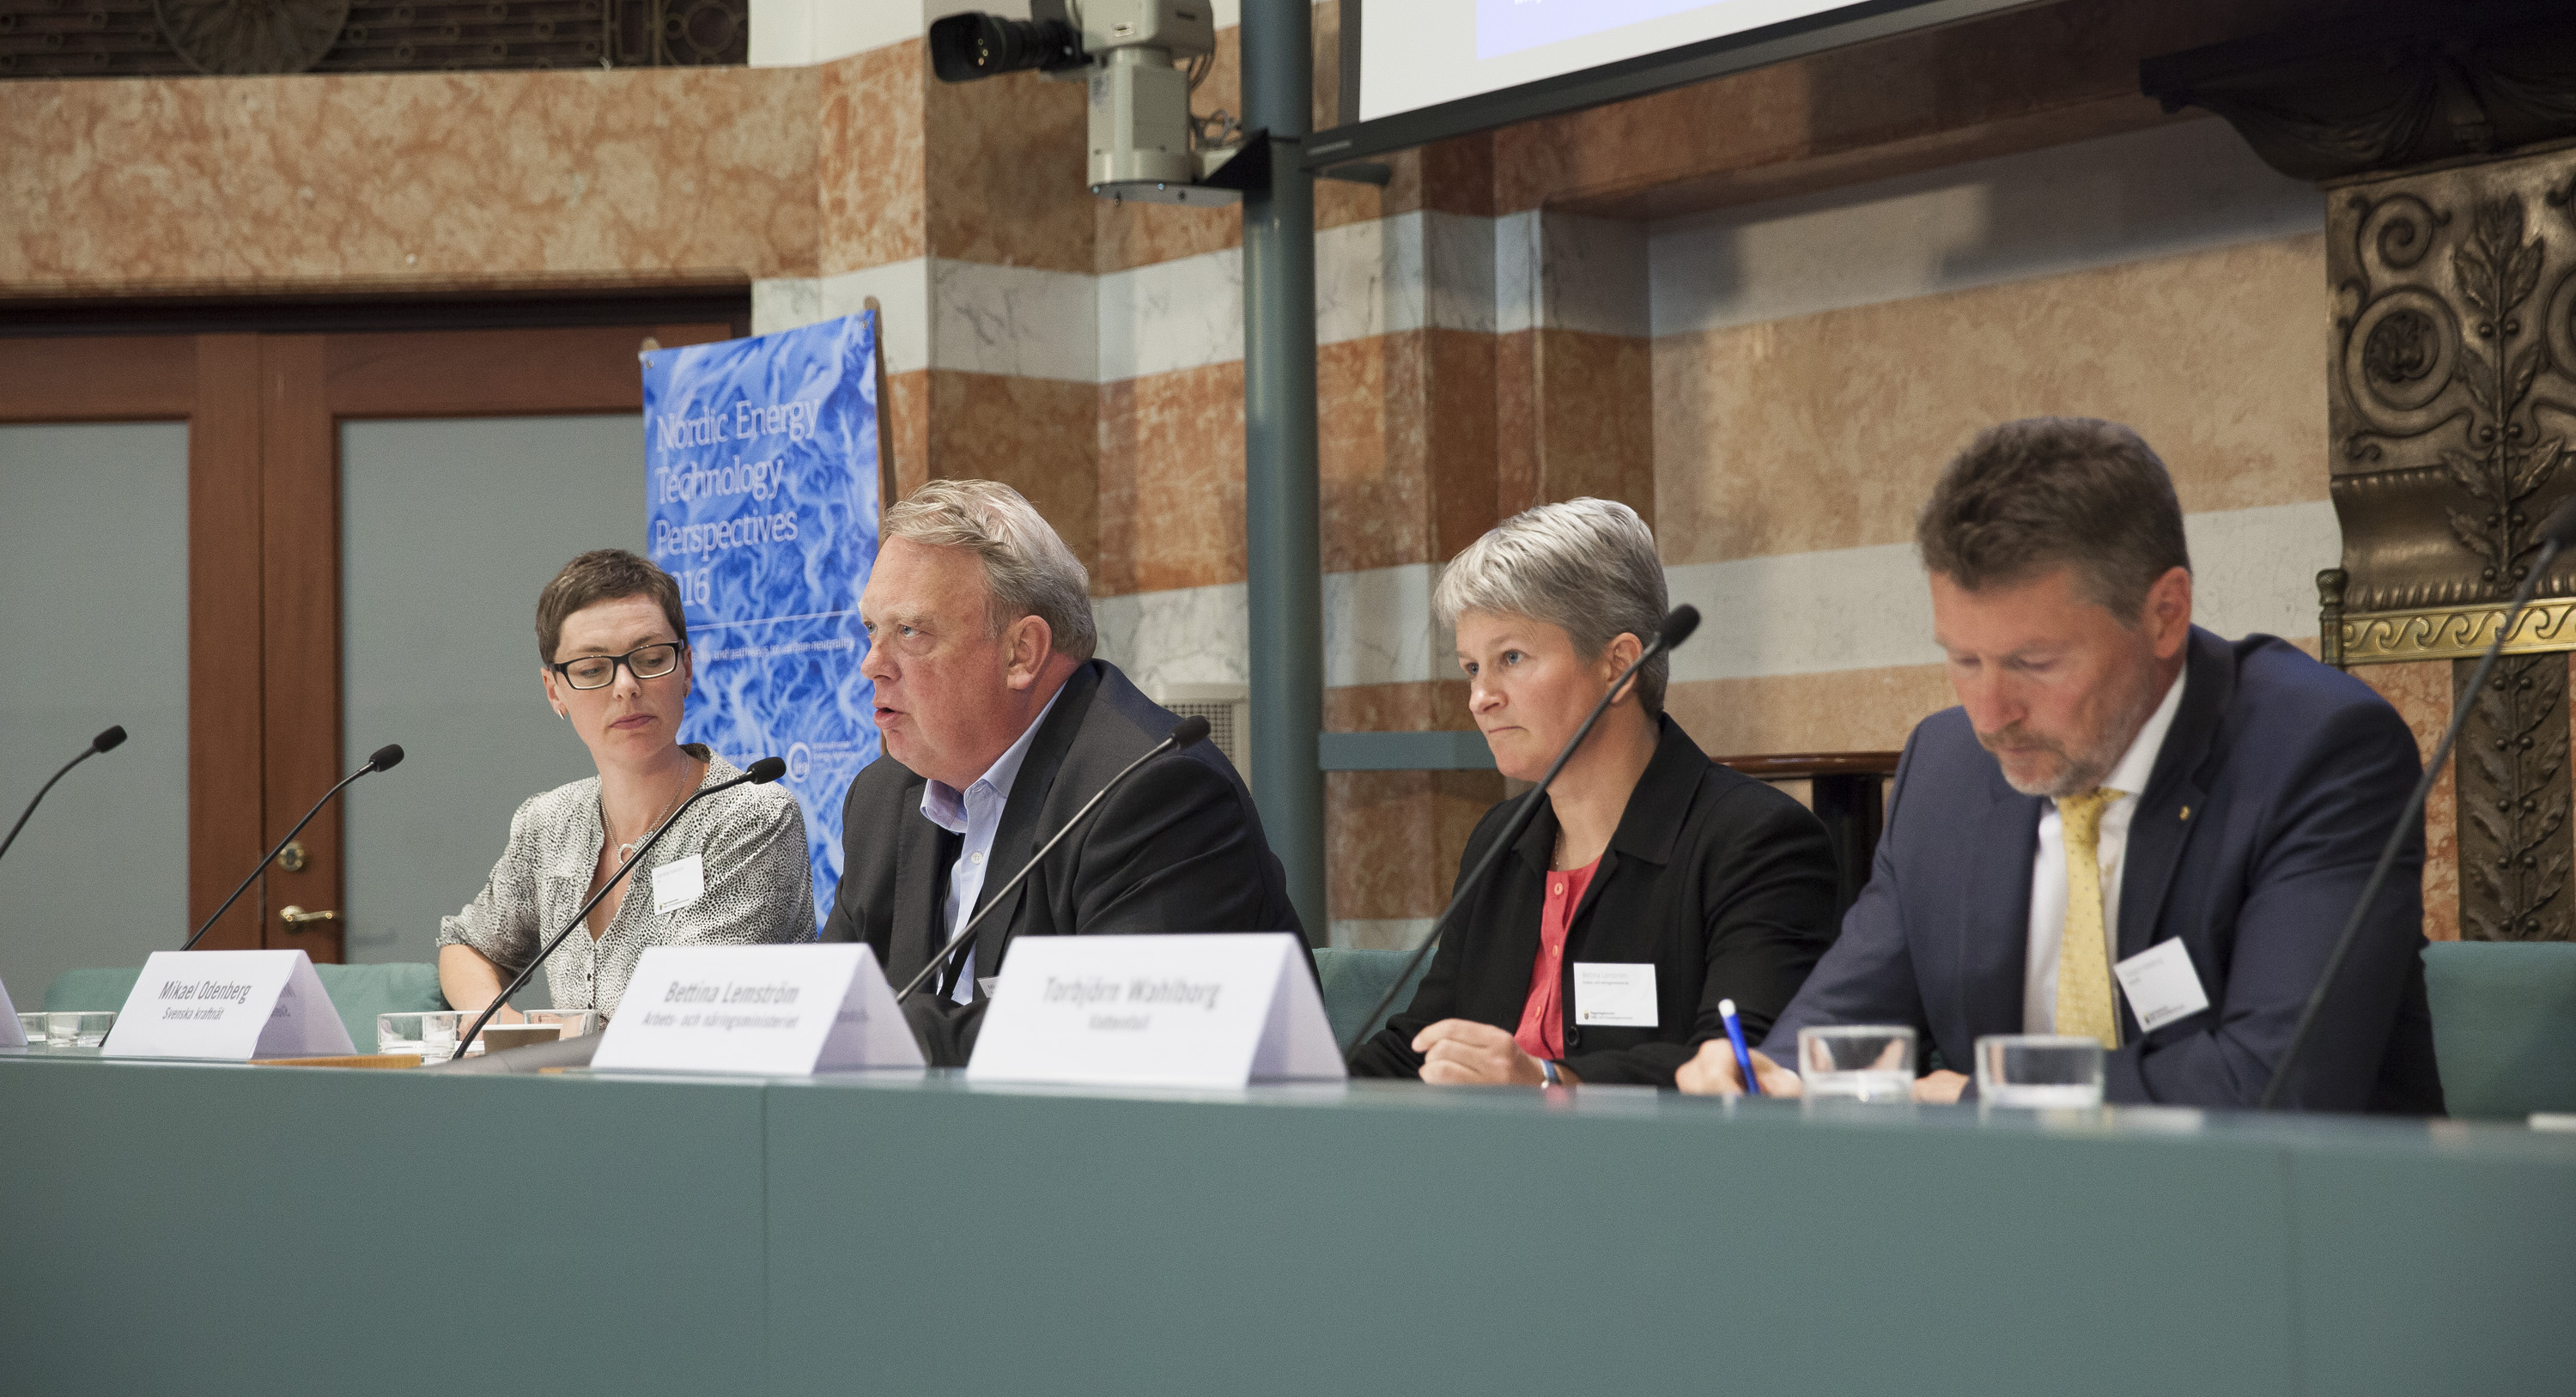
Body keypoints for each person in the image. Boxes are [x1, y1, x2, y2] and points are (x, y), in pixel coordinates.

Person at [1677, 417, 2445, 1111]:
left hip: (2286, 1234)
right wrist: (1761, 1076)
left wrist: (1988, 1100)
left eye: (2034, 663)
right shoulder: (1945, 770)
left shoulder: (2318, 751)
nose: (1989, 714)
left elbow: (2276, 1081)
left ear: (2164, 615)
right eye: (1963, 660)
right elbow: (1835, 1032)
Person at [1344, 498, 1840, 1088]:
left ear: (1621, 664)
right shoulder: (1501, 840)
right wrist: (1291, 1084)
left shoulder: (1756, 841)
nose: (1482, 697)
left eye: (1511, 658)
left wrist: (1551, 1079)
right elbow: (1423, 1042)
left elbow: (1740, 1059)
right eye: (1473, 668)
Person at [819, 480, 1305, 1065]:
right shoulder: (883, 798)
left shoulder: (1156, 792)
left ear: (1021, 653)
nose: (872, 664)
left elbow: (1112, 1040)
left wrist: (879, 1034)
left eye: (910, 631)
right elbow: (830, 1007)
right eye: (872, 629)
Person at [439, 549, 814, 1026]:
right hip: (571, 1095)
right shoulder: (549, 823)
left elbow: (686, 1010)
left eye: (651, 658)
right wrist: (499, 1024)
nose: (626, 686)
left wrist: (544, 1043)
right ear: (554, 691)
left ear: (687, 669)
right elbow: (468, 946)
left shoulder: (749, 818)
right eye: (593, 669)